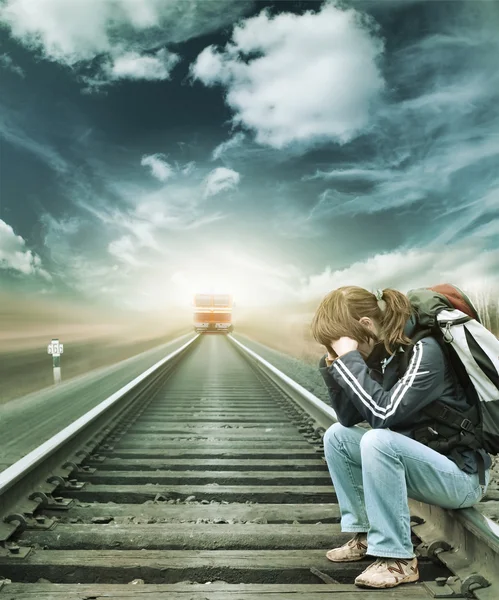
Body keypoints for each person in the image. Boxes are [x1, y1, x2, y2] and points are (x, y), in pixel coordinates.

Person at [311, 286, 491, 589]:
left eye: (339, 343)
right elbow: (348, 418)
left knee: (377, 440)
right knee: (338, 436)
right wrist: (333, 364)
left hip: (461, 476)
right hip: (426, 464)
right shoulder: (385, 351)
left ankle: (399, 560)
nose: (339, 351)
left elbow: (383, 414)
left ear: (366, 325)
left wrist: (351, 361)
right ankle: (366, 536)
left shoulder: (425, 350)